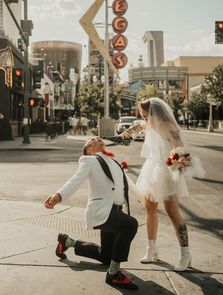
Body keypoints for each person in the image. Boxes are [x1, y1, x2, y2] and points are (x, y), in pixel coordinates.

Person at [120, 97, 205, 271]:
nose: (144, 119)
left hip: (166, 170)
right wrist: (125, 134)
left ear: (154, 113)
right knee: (150, 208)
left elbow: (180, 148)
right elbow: (137, 127)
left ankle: (185, 254)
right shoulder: (149, 124)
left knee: (172, 211)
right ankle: (151, 250)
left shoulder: (167, 126)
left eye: (145, 115)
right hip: (151, 168)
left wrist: (178, 161)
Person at [44, 137, 139, 290]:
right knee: (130, 225)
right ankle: (113, 274)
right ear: (89, 150)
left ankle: (67, 242)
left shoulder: (113, 162)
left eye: (98, 137)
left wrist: (146, 197)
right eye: (93, 140)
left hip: (116, 211)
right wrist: (58, 196)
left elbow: (128, 185)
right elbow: (75, 179)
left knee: (107, 256)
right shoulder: (89, 160)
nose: (98, 138)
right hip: (102, 211)